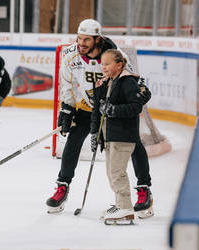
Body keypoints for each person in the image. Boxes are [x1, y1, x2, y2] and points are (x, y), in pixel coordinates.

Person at [46, 19, 153, 216]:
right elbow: (67, 84)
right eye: (79, 38)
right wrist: (66, 109)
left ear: (98, 39)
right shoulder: (70, 55)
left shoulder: (114, 55)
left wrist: (140, 91)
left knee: (134, 143)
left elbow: (130, 80)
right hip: (89, 107)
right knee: (74, 139)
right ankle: (63, 185)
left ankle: (144, 189)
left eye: (87, 39)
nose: (81, 43)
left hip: (114, 108)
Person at [91, 49, 143, 223]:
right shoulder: (108, 82)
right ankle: (119, 203)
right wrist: (95, 133)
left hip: (124, 135)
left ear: (119, 65)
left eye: (107, 64)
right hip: (110, 135)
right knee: (110, 172)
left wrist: (113, 110)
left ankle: (126, 208)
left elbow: (136, 106)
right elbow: (97, 109)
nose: (103, 67)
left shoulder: (127, 82)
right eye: (102, 64)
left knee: (117, 172)